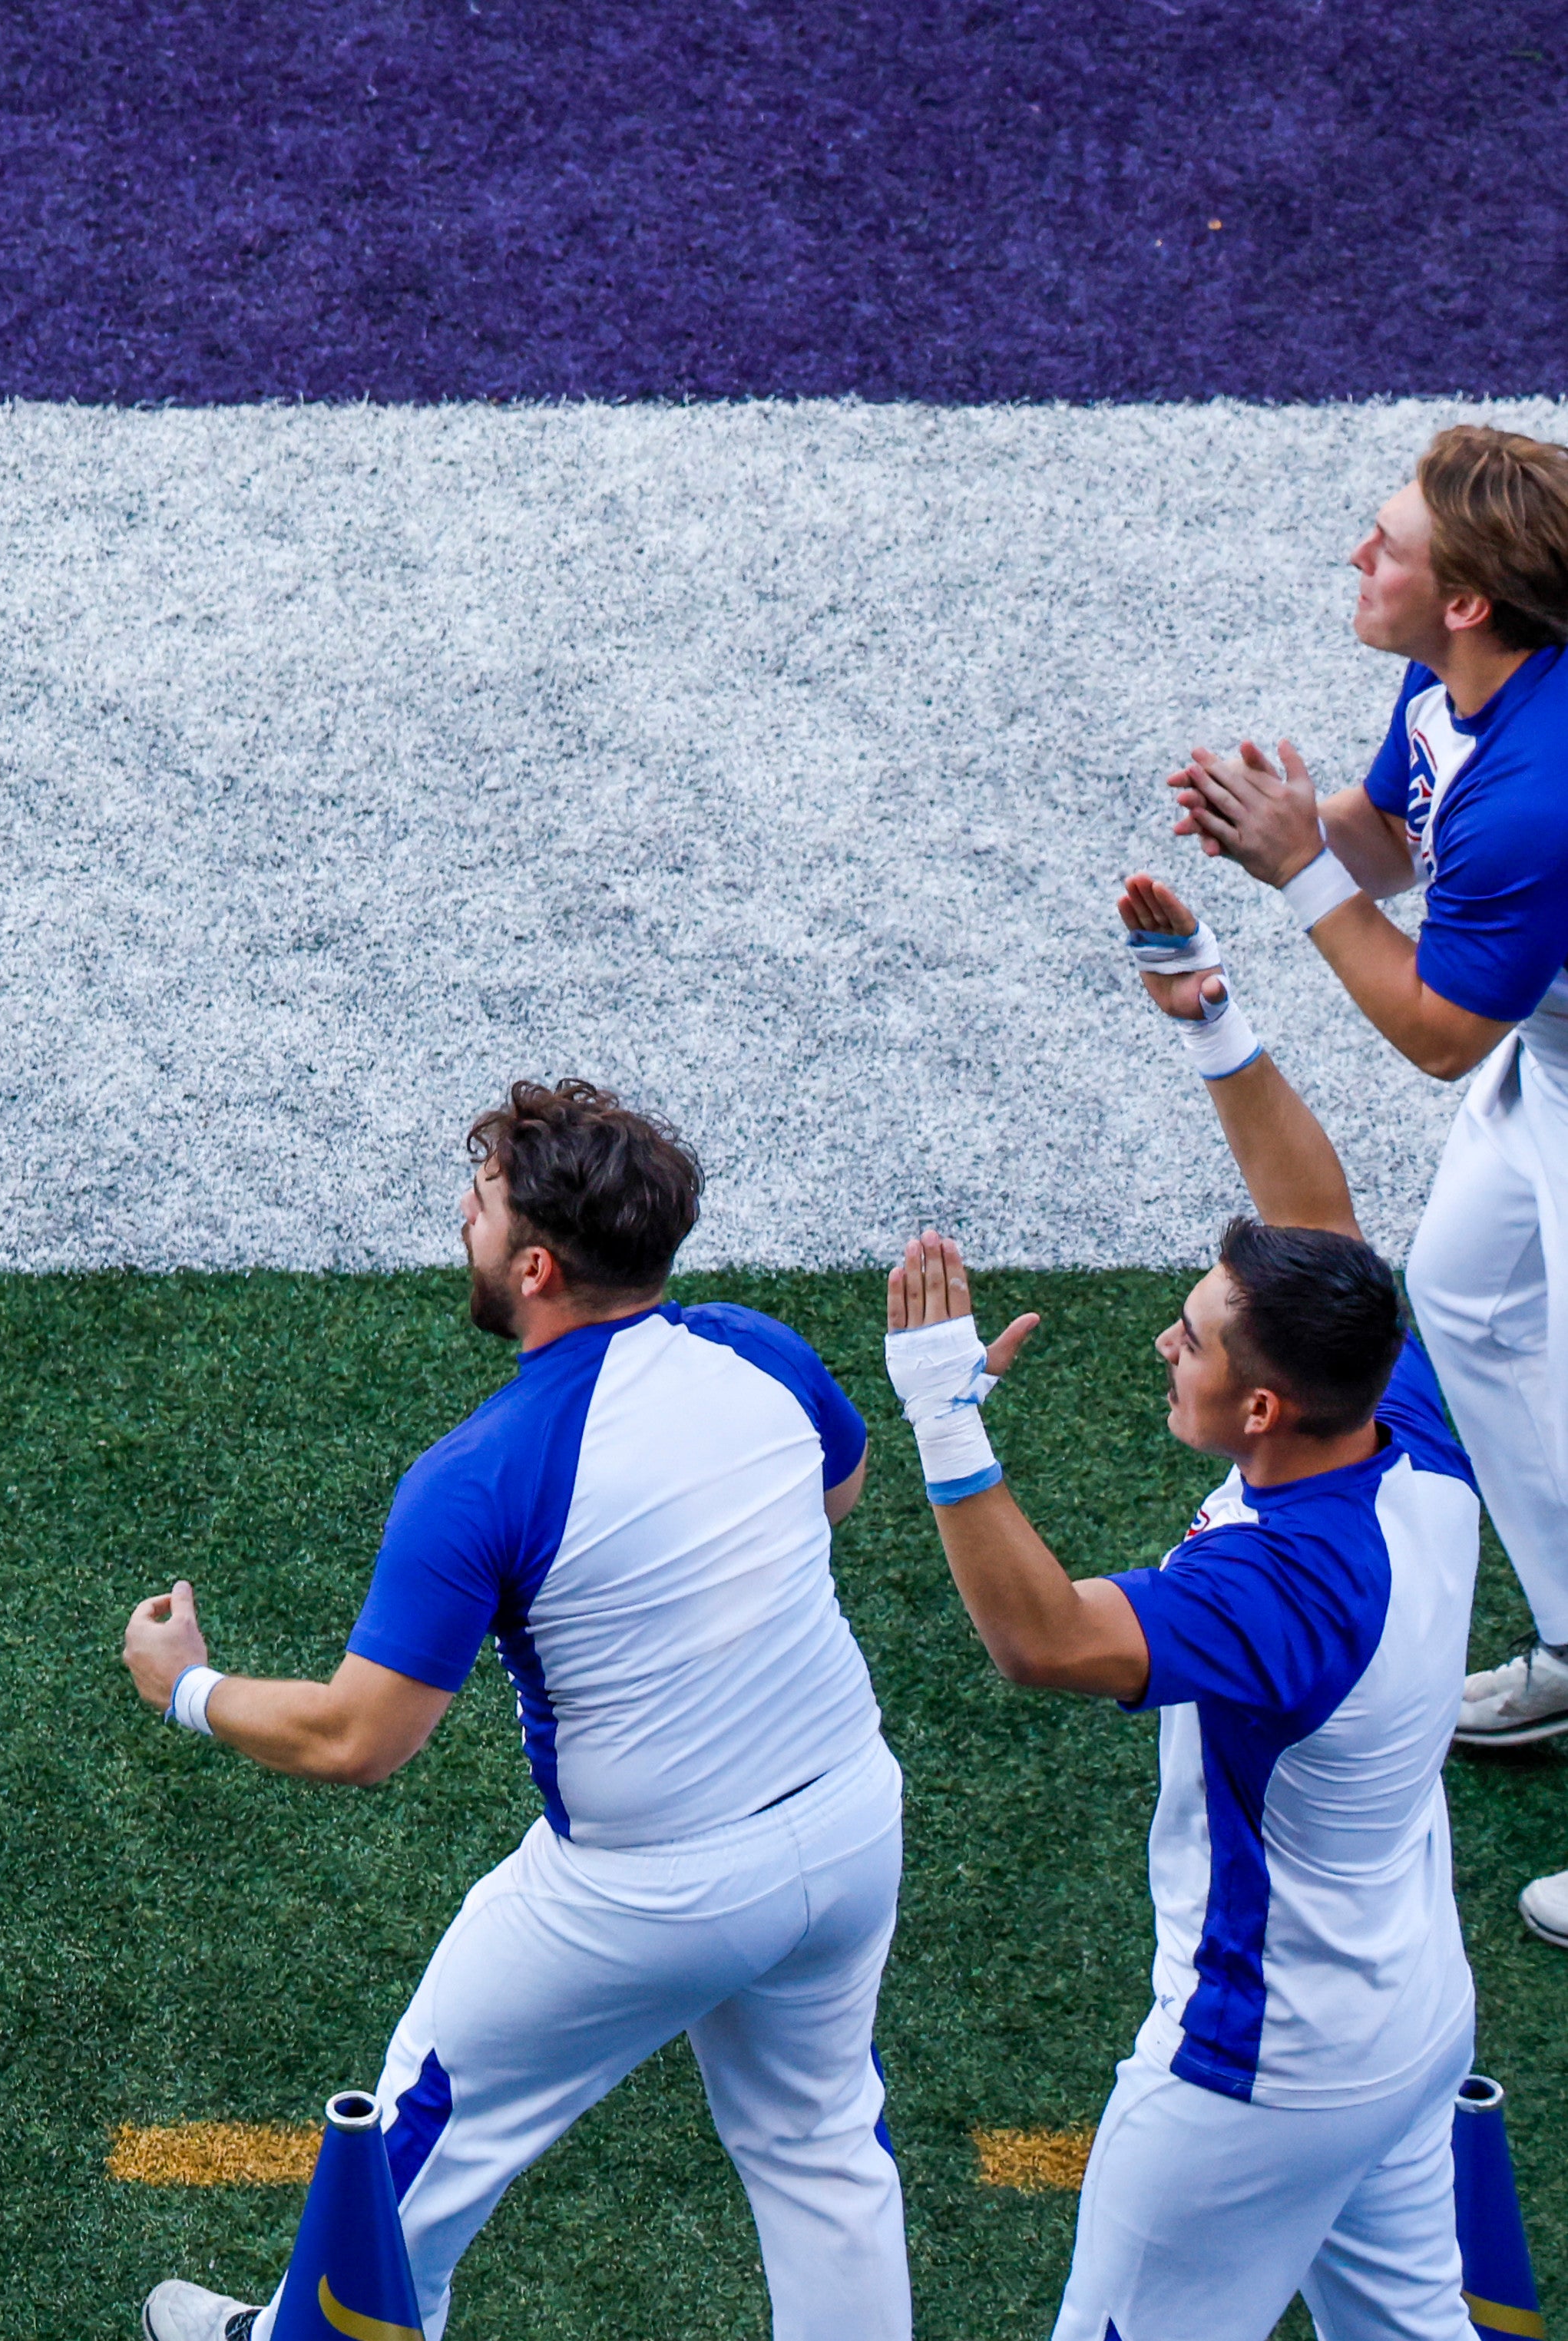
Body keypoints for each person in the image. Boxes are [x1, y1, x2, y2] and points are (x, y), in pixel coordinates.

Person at [127, 1080, 908, 2341]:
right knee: (822, 2153)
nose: (462, 1218)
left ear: (534, 1267)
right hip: (850, 1827)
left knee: (416, 2129)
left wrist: (188, 1691)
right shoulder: (760, 1347)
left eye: (480, 1206)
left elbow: (358, 1737)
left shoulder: (481, 1470)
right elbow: (834, 1490)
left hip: (642, 1891)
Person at [883, 873, 1480, 2339]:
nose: (1169, 1338)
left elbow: (1042, 1638)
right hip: (1406, 2014)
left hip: (1255, 2072)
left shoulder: (1284, 1583)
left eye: (1198, 1338)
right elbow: (1319, 1219)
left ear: (1262, 1406)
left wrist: (942, 1422)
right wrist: (1212, 1015)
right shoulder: (1407, 1439)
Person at [1163, 425, 1568, 1939]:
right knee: (1463, 1304)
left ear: (1466, 598)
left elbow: (1438, 1033)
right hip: (1559, 1063)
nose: (1358, 557)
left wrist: (1297, 875)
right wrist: (1284, 822)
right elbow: (1397, 835)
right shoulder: (1464, 683)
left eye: (1385, 544)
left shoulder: (1543, 781)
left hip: (1528, 1055)